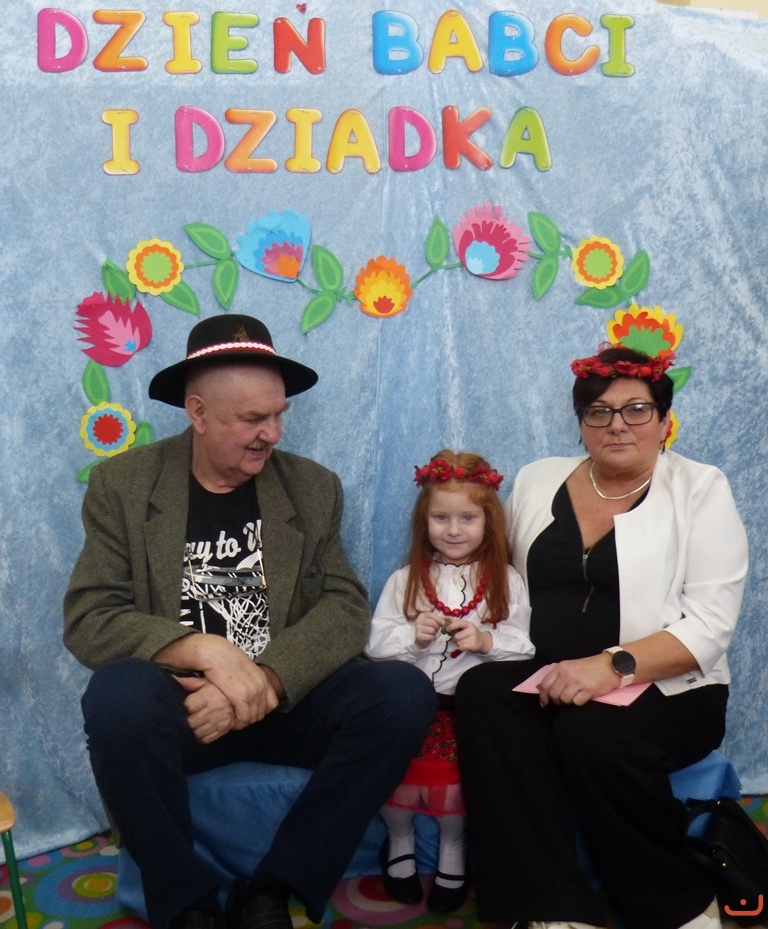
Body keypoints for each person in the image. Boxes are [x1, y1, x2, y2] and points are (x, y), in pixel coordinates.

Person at [63, 314, 436, 929]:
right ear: (199, 413)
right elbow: (90, 615)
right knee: (116, 696)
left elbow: (344, 607)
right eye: (253, 419)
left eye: (279, 415)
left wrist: (265, 676)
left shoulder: (313, 487)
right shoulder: (122, 485)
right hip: (187, 710)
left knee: (402, 692)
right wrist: (208, 652)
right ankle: (184, 904)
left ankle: (275, 888)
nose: (272, 433)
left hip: (287, 703)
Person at [454, 346, 748, 929]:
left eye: (636, 409)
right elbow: (500, 578)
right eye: (599, 411)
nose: (617, 424)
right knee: (484, 693)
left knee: (590, 732)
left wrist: (610, 666)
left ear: (664, 421)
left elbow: (711, 624)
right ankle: (549, 907)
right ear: (581, 422)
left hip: (668, 684)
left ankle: (677, 905)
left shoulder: (701, 489)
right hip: (550, 670)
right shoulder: (537, 480)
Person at [365, 450, 534, 913]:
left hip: (465, 712)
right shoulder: (404, 580)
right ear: (424, 522)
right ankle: (399, 842)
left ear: (488, 522)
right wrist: (411, 637)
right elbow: (375, 645)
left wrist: (485, 640)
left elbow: (525, 646)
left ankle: (453, 851)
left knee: (456, 786)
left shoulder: (506, 581)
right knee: (395, 777)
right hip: (413, 710)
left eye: (467, 518)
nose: (454, 530)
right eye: (441, 518)